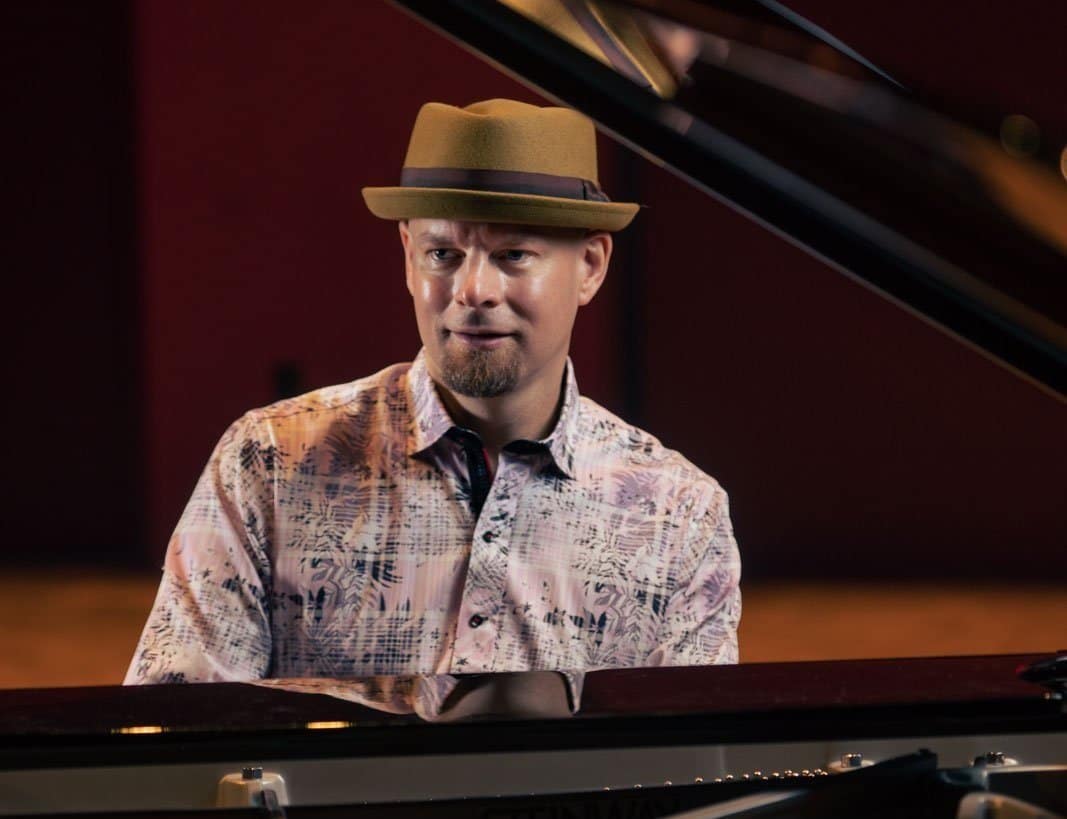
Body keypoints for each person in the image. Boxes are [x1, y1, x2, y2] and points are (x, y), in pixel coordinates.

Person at [126, 99, 741, 720]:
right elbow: (177, 726)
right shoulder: (270, 462)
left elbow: (695, 758)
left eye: (513, 254)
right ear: (407, 254)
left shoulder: (678, 514)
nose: (473, 291)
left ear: (590, 266)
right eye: (443, 254)